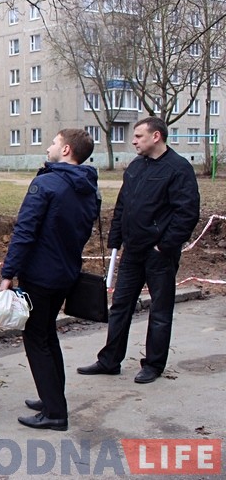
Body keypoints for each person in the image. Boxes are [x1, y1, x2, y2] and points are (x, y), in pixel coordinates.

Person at [78, 116, 200, 384]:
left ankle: (153, 365)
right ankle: (109, 360)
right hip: (132, 251)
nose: (133, 141)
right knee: (120, 305)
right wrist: (115, 239)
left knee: (160, 309)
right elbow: (123, 205)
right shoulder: (135, 167)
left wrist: (164, 245)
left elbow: (187, 213)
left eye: (139, 136)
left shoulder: (178, 169)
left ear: (156, 136)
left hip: (159, 255)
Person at [0, 129, 99, 431]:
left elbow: (25, 231)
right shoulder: (88, 186)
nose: (48, 147)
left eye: (53, 143)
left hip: (41, 275)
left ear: (66, 149)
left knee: (36, 339)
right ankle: (51, 398)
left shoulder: (46, 184)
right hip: (66, 271)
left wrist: (8, 273)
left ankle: (55, 412)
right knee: (48, 335)